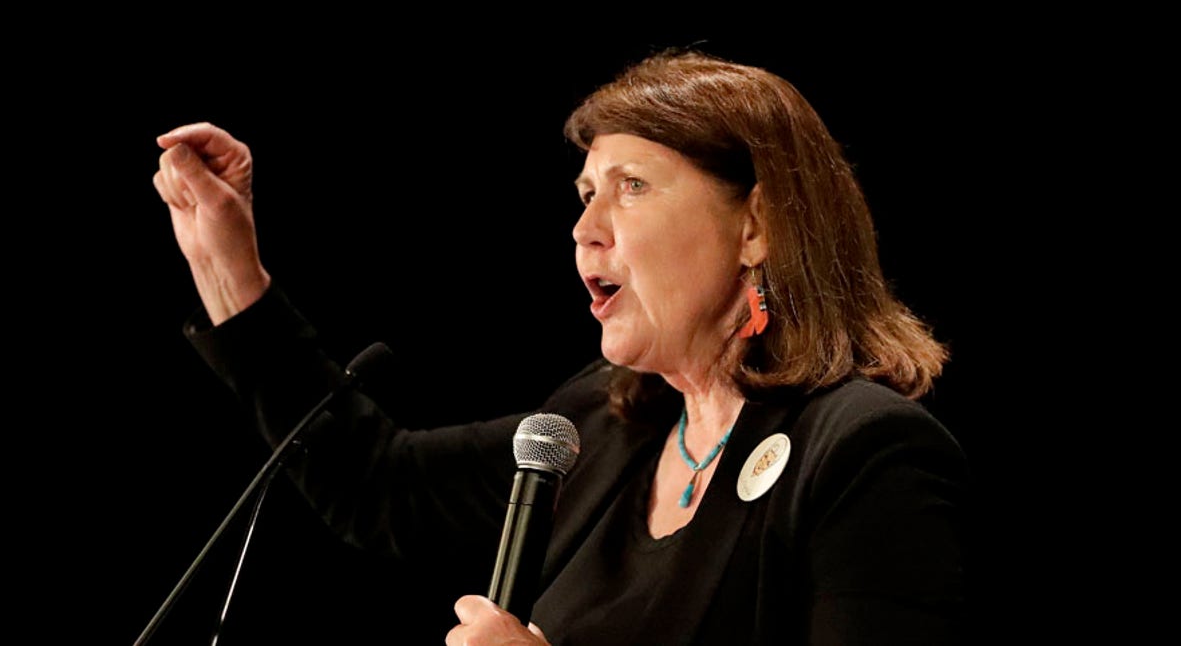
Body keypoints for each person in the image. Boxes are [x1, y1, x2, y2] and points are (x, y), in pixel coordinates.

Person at [153, 48, 969, 644]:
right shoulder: (602, 424)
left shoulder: (864, 453)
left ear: (758, 224)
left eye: (632, 188)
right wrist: (230, 270)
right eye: (584, 195)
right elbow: (381, 486)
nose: (585, 230)